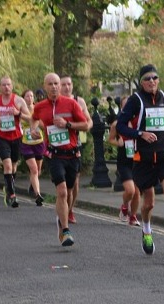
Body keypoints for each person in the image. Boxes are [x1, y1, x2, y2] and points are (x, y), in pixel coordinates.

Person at [116, 64, 164, 257]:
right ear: (141, 82)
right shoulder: (135, 100)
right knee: (149, 204)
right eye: (147, 79)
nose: (152, 81)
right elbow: (121, 126)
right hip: (144, 159)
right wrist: (140, 133)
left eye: (155, 78)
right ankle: (146, 229)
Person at [30, 72, 89, 246]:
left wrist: (67, 124)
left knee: (69, 192)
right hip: (54, 155)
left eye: (56, 83)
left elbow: (85, 124)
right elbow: (34, 118)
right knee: (62, 191)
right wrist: (34, 130)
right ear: (45, 86)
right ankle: (65, 230)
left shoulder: (71, 104)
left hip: (72, 154)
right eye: (50, 84)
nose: (54, 87)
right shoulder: (40, 106)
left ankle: (62, 217)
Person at [0, 76, 31, 208]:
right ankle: (11, 194)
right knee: (8, 165)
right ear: (0, 87)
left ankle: (9, 186)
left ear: (12, 86)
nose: (6, 87)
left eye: (8, 85)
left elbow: (29, 118)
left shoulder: (19, 100)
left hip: (16, 137)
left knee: (14, 164)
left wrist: (17, 113)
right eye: (4, 85)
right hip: (0, 137)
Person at [59, 75, 93, 224]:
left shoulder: (79, 101)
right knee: (62, 184)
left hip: (76, 143)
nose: (67, 87)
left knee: (75, 182)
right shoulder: (55, 103)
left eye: (69, 84)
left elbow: (89, 120)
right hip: (58, 145)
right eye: (64, 84)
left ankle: (70, 209)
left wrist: (86, 126)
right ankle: (63, 208)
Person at [107, 96, 141, 226]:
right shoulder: (117, 124)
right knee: (130, 190)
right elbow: (110, 139)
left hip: (138, 159)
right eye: (126, 105)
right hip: (124, 161)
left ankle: (133, 216)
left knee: (137, 192)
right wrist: (118, 142)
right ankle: (125, 207)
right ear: (122, 107)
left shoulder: (139, 122)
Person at [19, 89, 46, 206]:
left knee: (38, 171)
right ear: (23, 99)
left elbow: (44, 126)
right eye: (27, 96)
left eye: (31, 96)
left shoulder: (38, 109)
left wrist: (36, 121)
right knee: (34, 169)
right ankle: (38, 195)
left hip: (39, 143)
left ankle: (32, 185)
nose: (30, 98)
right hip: (26, 144)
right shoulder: (20, 112)